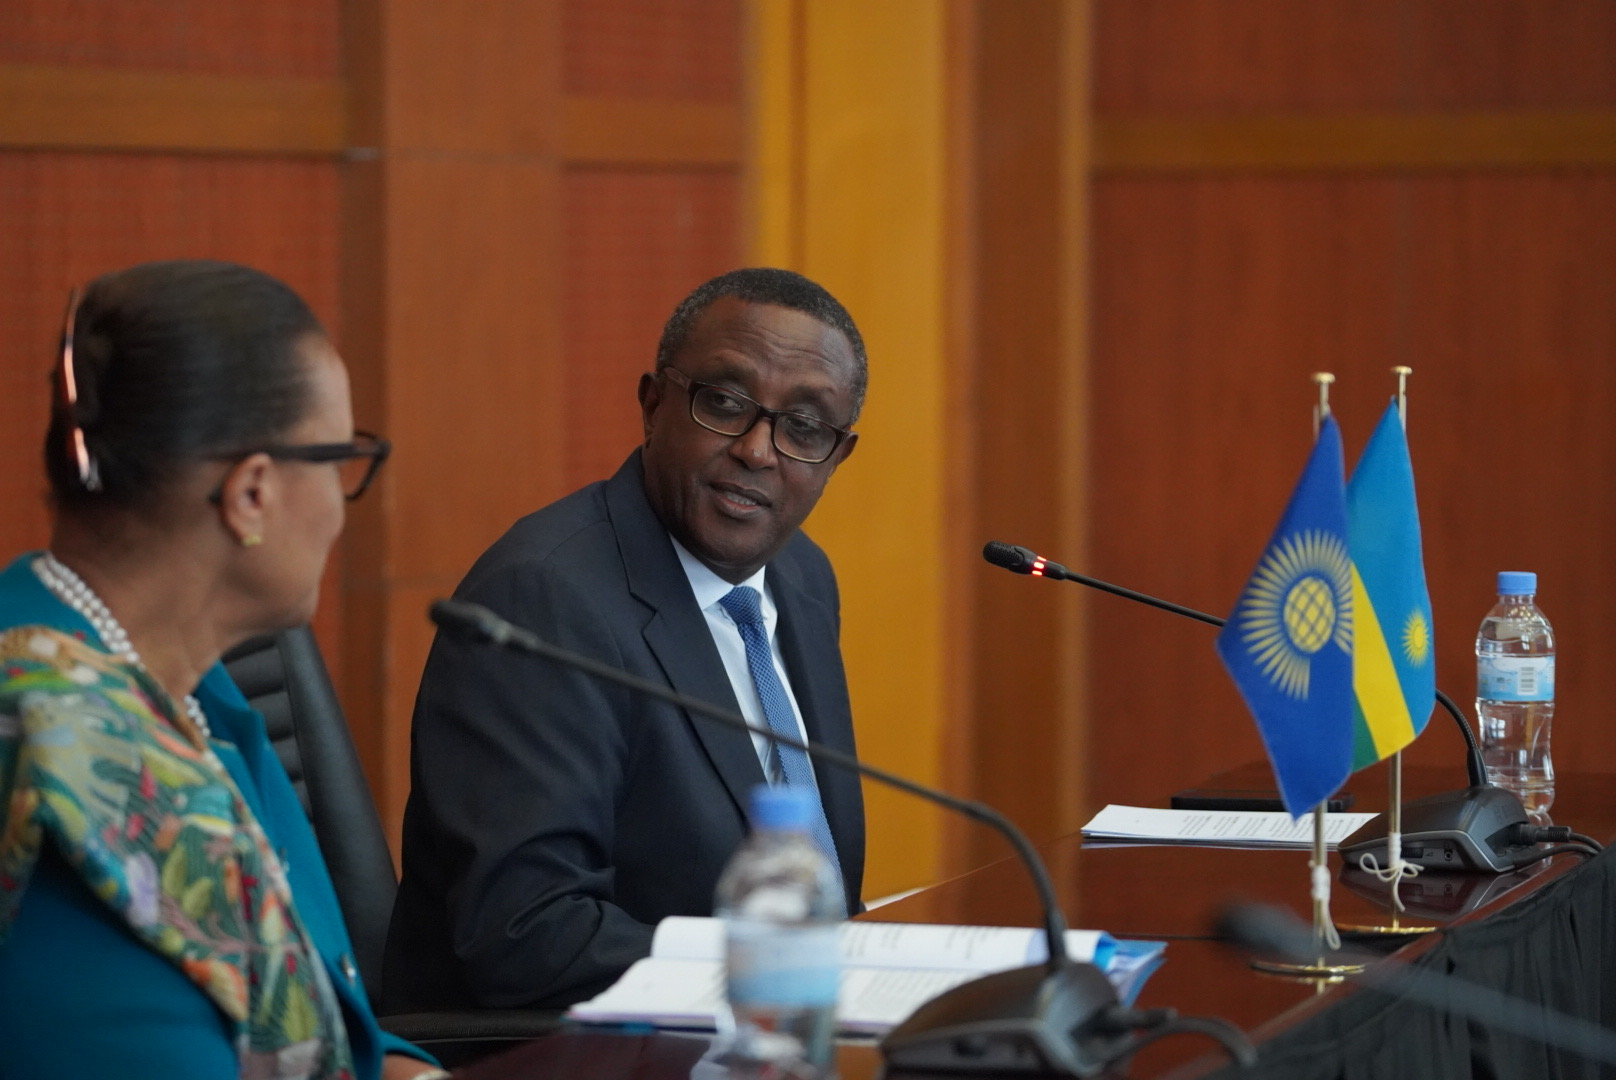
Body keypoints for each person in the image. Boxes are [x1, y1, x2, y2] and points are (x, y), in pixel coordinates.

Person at [0, 261, 442, 1080]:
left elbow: (331, 1025)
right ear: (251, 494)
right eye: (342, 459)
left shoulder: (194, 688)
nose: (345, 504)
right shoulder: (72, 752)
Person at [384, 268, 868, 1011]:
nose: (759, 451)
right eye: (726, 404)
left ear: (838, 456)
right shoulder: (542, 601)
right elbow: (526, 934)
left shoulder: (801, 578)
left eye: (805, 428)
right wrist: (771, 970)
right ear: (652, 405)